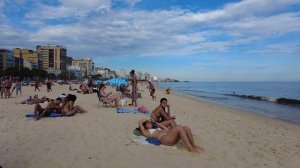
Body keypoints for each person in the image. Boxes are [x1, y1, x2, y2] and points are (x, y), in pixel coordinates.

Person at [138, 118, 203, 153]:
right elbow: (139, 121)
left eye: (149, 122)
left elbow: (167, 129)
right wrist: (148, 119)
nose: (149, 123)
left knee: (186, 128)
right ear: (145, 126)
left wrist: (157, 124)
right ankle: (190, 149)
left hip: (169, 136)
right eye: (147, 123)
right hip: (164, 139)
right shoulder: (146, 132)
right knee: (179, 127)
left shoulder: (156, 128)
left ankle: (193, 145)